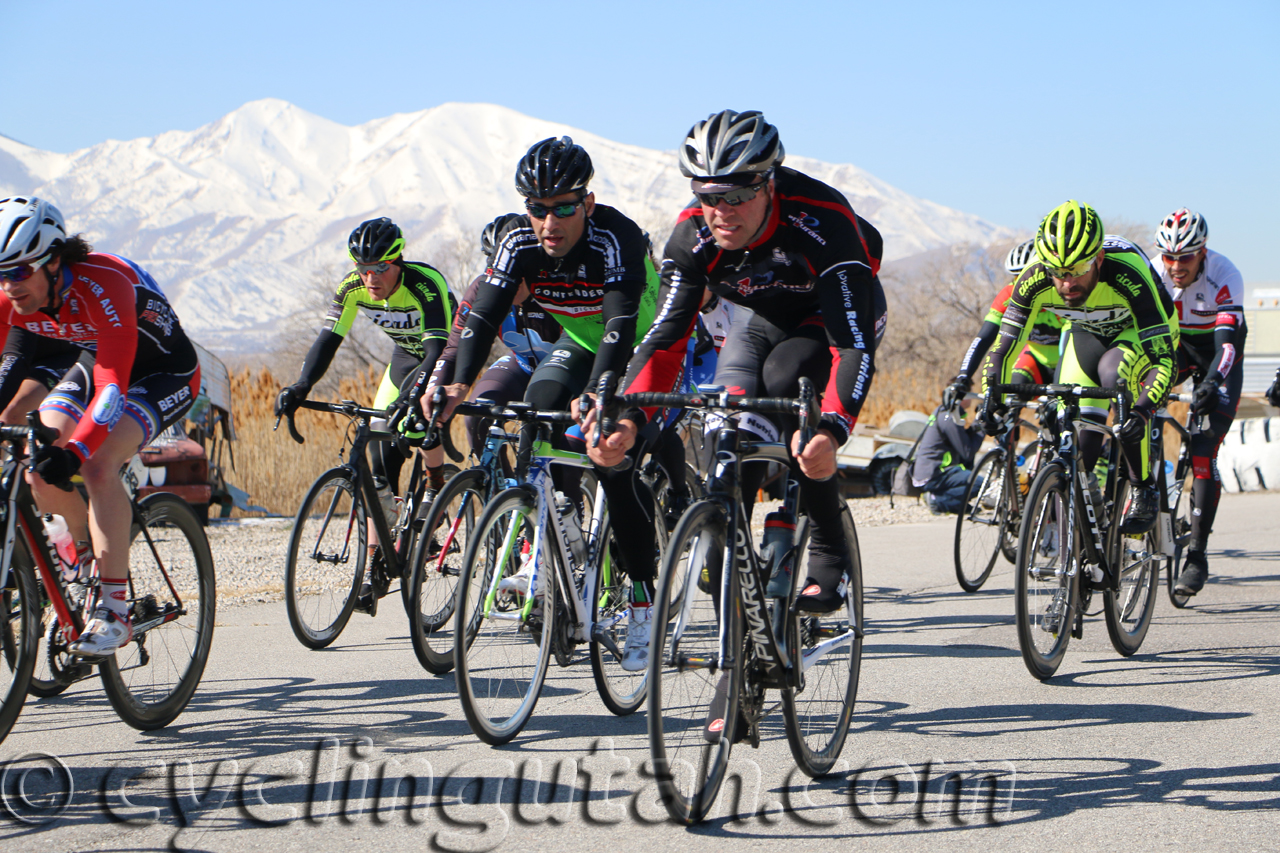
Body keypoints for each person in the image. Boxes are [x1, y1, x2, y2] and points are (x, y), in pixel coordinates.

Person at [591, 109, 886, 638]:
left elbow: (852, 345)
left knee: (789, 388)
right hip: (759, 319)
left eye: (736, 195)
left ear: (768, 182)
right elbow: (662, 344)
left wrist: (831, 428)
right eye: (707, 196)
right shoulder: (692, 238)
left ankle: (825, 547)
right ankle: (740, 600)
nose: (720, 211)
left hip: (830, 320)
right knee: (730, 432)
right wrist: (629, 419)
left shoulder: (820, 220)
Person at [431, 136, 660, 670]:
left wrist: (603, 396)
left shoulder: (616, 237)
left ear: (588, 203)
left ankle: (645, 601)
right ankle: (554, 539)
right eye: (537, 208)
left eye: (563, 208)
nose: (549, 222)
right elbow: (481, 317)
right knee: (539, 405)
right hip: (581, 341)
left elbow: (622, 326)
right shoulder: (517, 243)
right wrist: (456, 383)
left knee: (609, 452)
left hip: (642, 343)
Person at [0, 196, 201, 655]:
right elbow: (6, 372)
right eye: (0, 274)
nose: (9, 285)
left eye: (18, 271)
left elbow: (111, 387)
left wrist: (75, 452)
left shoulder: (103, 284)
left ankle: (114, 610)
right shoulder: (15, 298)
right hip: (98, 361)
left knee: (96, 466)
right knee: (34, 461)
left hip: (162, 373)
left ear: (53, 262)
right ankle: (84, 557)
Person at [981, 200, 1178, 553]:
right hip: (1085, 332)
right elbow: (1004, 346)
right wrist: (990, 393)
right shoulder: (1036, 277)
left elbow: (1166, 361)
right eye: (1058, 273)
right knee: (1078, 440)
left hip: (1140, 333)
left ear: (1099, 259)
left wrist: (1143, 410)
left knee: (1112, 375)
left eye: (1077, 270)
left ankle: (1142, 484)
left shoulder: (1127, 274)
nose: (1066, 283)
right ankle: (1089, 530)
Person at [275, 218, 454, 536]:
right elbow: (328, 340)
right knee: (380, 451)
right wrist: (302, 384)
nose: (370, 278)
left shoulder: (424, 284)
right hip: (405, 356)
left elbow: (436, 351)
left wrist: (410, 397)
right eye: (363, 268)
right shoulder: (351, 287)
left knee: (418, 419)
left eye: (380, 268)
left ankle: (436, 483)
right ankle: (376, 557)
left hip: (443, 354)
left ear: (398, 261)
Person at [1152, 208, 1247, 595]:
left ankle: (1197, 554)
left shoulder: (1225, 274)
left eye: (1186, 257)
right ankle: (1141, 490)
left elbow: (1227, 345)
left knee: (1204, 451)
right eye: (1169, 257)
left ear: (1203, 251)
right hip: (1176, 348)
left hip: (1216, 354)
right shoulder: (1154, 271)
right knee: (1137, 406)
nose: (1176, 266)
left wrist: (1213, 382)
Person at [426, 213, 562, 456]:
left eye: (519, 265)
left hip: (566, 374)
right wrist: (433, 391)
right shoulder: (482, 289)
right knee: (477, 415)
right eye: (500, 265)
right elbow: (454, 349)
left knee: (545, 445)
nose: (511, 277)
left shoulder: (556, 287)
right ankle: (499, 489)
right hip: (521, 365)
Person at [942, 239, 1063, 410]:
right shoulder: (1009, 294)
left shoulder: (1062, 296)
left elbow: (1071, 347)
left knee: (1061, 408)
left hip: (1064, 361)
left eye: (1029, 276)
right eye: (1016, 277)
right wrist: (963, 377)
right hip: (1034, 359)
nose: (1023, 284)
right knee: (1007, 401)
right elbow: (983, 338)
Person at [910, 400, 984, 514]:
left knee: (971, 475)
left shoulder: (942, 411)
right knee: (981, 484)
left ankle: (955, 503)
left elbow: (964, 442)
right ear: (963, 397)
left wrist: (977, 423)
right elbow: (967, 452)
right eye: (970, 394)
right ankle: (938, 500)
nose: (972, 399)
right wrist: (982, 424)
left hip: (929, 472)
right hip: (934, 474)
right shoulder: (948, 417)